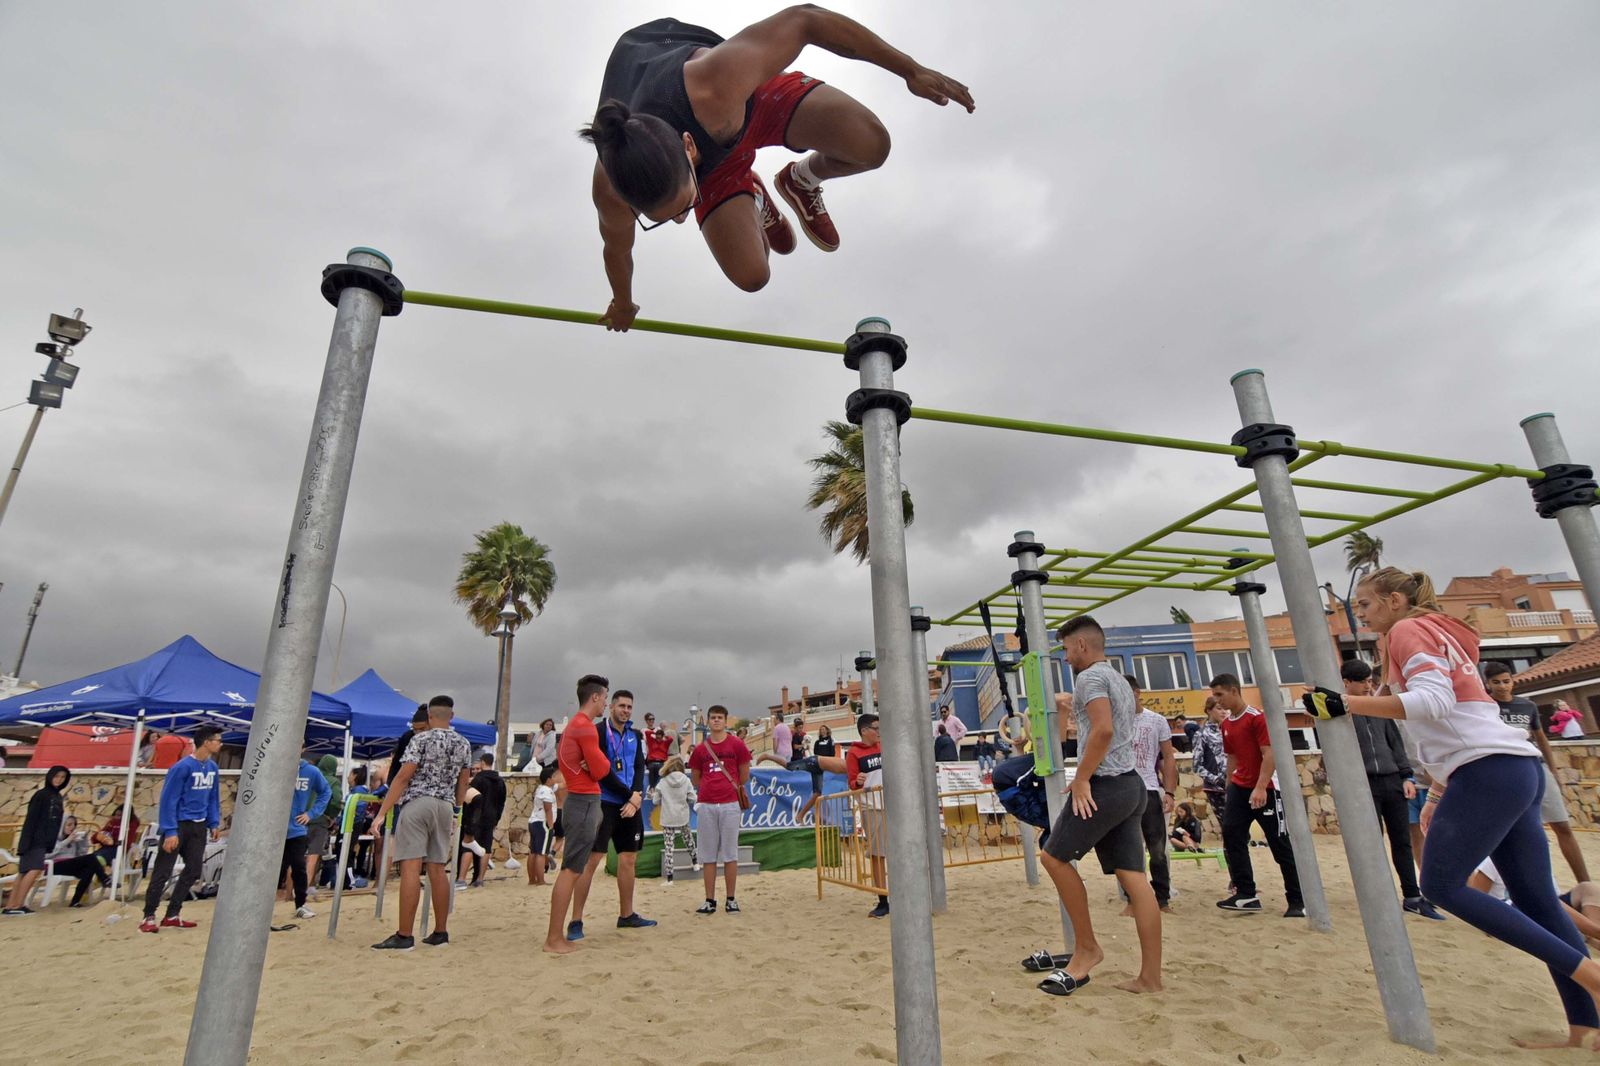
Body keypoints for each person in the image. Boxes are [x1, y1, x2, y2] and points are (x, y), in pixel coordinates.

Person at [1303, 567, 1600, 1050]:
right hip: (1514, 767)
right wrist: (1440, 791)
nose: (1360, 613)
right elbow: (1466, 714)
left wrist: (1345, 705)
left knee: (1441, 886)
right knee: (1538, 901)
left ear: (1395, 601)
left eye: (1365, 604)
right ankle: (1586, 1027)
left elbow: (1433, 703)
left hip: (1487, 770)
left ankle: (1592, 977)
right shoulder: (1443, 633)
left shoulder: (1406, 630)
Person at [583, 11, 974, 319]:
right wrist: (623, 302)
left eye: (684, 204)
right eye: (668, 218)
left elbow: (807, 20)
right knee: (752, 276)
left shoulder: (716, 83)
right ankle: (752, 194)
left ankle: (801, 180)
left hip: (751, 106)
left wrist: (910, 70)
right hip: (716, 166)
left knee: (872, 144)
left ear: (689, 147)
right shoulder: (612, 189)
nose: (684, 219)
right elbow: (616, 249)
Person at [1034, 617, 1161, 997]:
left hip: (1105, 785)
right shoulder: (1119, 679)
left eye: (1066, 649)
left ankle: (1087, 948)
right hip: (1131, 784)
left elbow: (1103, 730)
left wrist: (1083, 777)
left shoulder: (1089, 678)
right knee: (1135, 879)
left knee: (1053, 858)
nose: (1066, 657)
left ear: (1081, 646)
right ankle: (1150, 978)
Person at [368, 696, 473, 951]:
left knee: (411, 868)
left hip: (417, 803)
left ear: (429, 717)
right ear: (452, 715)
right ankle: (440, 932)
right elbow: (463, 780)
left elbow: (403, 777)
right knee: (437, 869)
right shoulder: (464, 743)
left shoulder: (420, 739)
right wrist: (457, 810)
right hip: (445, 806)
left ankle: (405, 935)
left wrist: (382, 813)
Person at [1342, 660, 1443, 920]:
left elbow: (1395, 744)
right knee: (1371, 842)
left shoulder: (1380, 709)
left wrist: (1406, 776)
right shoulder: (1341, 715)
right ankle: (1378, 896)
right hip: (1363, 785)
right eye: (1362, 682)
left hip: (1392, 781)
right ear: (1347, 683)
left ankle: (1412, 896)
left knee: (1402, 841)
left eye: (1369, 681)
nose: (1368, 686)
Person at [545, 675, 632, 954]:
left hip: (581, 800)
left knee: (572, 868)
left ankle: (556, 936)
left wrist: (595, 762)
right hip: (583, 801)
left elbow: (594, 766)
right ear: (595, 697)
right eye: (605, 698)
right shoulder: (584, 727)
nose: (606, 703)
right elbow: (602, 770)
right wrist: (599, 762)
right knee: (571, 870)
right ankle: (554, 938)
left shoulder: (575, 726)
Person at [1484, 661, 1591, 885]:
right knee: (1515, 832)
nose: (1502, 686)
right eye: (1496, 682)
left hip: (1535, 766)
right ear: (1488, 684)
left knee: (1562, 824)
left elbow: (1541, 739)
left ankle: (1585, 883)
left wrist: (1553, 771)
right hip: (1504, 772)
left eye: (1506, 681)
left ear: (1512, 681)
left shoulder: (1527, 706)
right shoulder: (1484, 707)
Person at [1210, 673, 1303, 918]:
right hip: (1240, 788)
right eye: (1214, 695)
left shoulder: (1256, 718)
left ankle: (1298, 899)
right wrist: (1229, 786)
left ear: (1234, 691)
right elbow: (1232, 757)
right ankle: (1246, 893)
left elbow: (1269, 753)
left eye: (1220, 694)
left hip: (1267, 788)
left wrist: (1260, 787)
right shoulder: (1227, 724)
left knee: (1279, 844)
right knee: (1232, 835)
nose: (1217, 700)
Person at [569, 689, 656, 937]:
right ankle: (576, 920)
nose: (626, 711)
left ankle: (626, 915)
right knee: (592, 861)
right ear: (611, 707)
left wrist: (636, 796)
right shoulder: (597, 732)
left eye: (629, 707)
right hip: (604, 802)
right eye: (621, 706)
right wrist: (630, 796)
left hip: (631, 805)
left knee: (628, 859)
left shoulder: (635, 735)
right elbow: (601, 771)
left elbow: (639, 767)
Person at [140, 728, 223, 933]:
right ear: (206, 742)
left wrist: (213, 823)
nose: (220, 744)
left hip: (199, 825)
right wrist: (170, 830)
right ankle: (148, 916)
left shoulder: (212, 767)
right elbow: (169, 799)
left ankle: (173, 913)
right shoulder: (182, 767)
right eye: (217, 740)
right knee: (163, 871)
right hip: (179, 824)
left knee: (194, 869)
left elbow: (213, 797)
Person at [688, 704, 752, 915]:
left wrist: (727, 787)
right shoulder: (700, 749)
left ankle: (731, 899)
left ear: (725, 721)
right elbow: (696, 777)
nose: (716, 720)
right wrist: (710, 787)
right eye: (713, 717)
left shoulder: (737, 745)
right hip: (707, 804)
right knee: (708, 855)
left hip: (730, 804)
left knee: (730, 853)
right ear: (708, 721)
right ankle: (710, 900)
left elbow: (744, 774)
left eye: (719, 717)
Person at [1126, 676, 1178, 913]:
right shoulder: (1115, 720)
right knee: (1129, 847)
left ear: (1136, 693)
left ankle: (1162, 899)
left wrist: (1169, 791)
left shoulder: (1156, 720)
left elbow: (1168, 757)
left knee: (1157, 847)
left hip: (1149, 788)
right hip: (1124, 789)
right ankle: (1132, 899)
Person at [3, 765, 72, 916]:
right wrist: (26, 843)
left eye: (63, 777)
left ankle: (12, 905)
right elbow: (31, 819)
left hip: (42, 841)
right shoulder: (42, 795)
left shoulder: (56, 796)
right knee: (33, 870)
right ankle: (17, 905)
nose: (59, 780)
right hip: (35, 840)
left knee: (25, 871)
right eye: (57, 776)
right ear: (50, 776)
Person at [844, 712, 890, 917]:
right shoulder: (854, 753)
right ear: (864, 731)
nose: (879, 732)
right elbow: (852, 783)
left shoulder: (884, 746)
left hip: (892, 804)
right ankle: (883, 899)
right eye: (876, 728)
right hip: (872, 807)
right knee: (878, 854)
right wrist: (858, 782)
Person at [281, 750, 332, 920]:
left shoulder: (311, 771)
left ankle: (300, 904)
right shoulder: (277, 766)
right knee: (272, 869)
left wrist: (311, 814)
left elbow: (326, 792)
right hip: (273, 830)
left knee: (299, 867)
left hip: (296, 829)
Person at [56, 810, 140, 907]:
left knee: (89, 869)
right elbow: (50, 853)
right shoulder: (55, 838)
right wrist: (67, 840)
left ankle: (75, 901)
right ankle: (104, 879)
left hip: (70, 864)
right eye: (69, 825)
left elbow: (81, 854)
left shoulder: (72, 839)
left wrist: (82, 842)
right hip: (56, 864)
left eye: (74, 825)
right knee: (91, 858)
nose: (72, 827)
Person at [458, 752, 506, 887]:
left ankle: (461, 878)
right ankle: (480, 879)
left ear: (483, 763)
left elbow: (469, 799)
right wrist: (496, 818)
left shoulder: (478, 780)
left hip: (475, 817)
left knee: (468, 846)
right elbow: (501, 802)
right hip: (491, 818)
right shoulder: (500, 781)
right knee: (486, 848)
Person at [653, 755, 697, 883]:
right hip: (682, 815)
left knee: (669, 846)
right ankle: (695, 862)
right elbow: (693, 798)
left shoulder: (662, 782)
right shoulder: (686, 780)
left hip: (668, 817)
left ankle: (670, 878)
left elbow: (655, 801)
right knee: (688, 839)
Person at [306, 753, 342, 894]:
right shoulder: (333, 781)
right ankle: (304, 889)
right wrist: (331, 816)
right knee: (313, 856)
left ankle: (289, 893)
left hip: (301, 818)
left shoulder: (311, 776)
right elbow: (336, 801)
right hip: (320, 820)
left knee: (297, 856)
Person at [1192, 696, 1227, 823]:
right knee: (1229, 826)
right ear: (1209, 710)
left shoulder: (1230, 730)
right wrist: (1217, 780)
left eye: (1225, 709)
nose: (1223, 712)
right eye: (1219, 708)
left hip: (1238, 785)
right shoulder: (1201, 734)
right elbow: (1197, 765)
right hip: (1217, 789)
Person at [796, 723, 835, 824]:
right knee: (817, 793)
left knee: (819, 793)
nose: (822, 731)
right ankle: (803, 816)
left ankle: (804, 815)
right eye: (821, 729)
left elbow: (832, 753)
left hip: (827, 764)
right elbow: (815, 754)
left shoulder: (831, 741)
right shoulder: (817, 742)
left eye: (824, 729)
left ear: (827, 730)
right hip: (819, 765)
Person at [525, 771, 558, 886]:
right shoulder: (547, 791)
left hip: (534, 821)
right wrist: (551, 826)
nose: (555, 778)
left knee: (533, 852)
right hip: (543, 823)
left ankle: (532, 879)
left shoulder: (540, 788)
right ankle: (540, 880)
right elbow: (548, 809)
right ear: (548, 779)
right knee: (541, 853)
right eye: (554, 776)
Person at [643, 713, 674, 787]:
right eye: (650, 719)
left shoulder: (665, 743)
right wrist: (655, 733)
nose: (658, 739)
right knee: (652, 769)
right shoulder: (652, 741)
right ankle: (652, 787)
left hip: (661, 762)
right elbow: (647, 733)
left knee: (660, 771)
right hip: (651, 760)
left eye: (653, 719)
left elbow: (671, 739)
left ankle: (657, 787)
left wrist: (664, 735)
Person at [534, 718, 560, 783]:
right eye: (547, 724)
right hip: (536, 760)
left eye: (550, 725)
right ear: (543, 725)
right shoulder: (538, 734)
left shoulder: (552, 736)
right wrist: (533, 757)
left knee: (545, 779)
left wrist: (539, 757)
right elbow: (534, 745)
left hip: (546, 761)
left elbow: (549, 749)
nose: (548, 726)